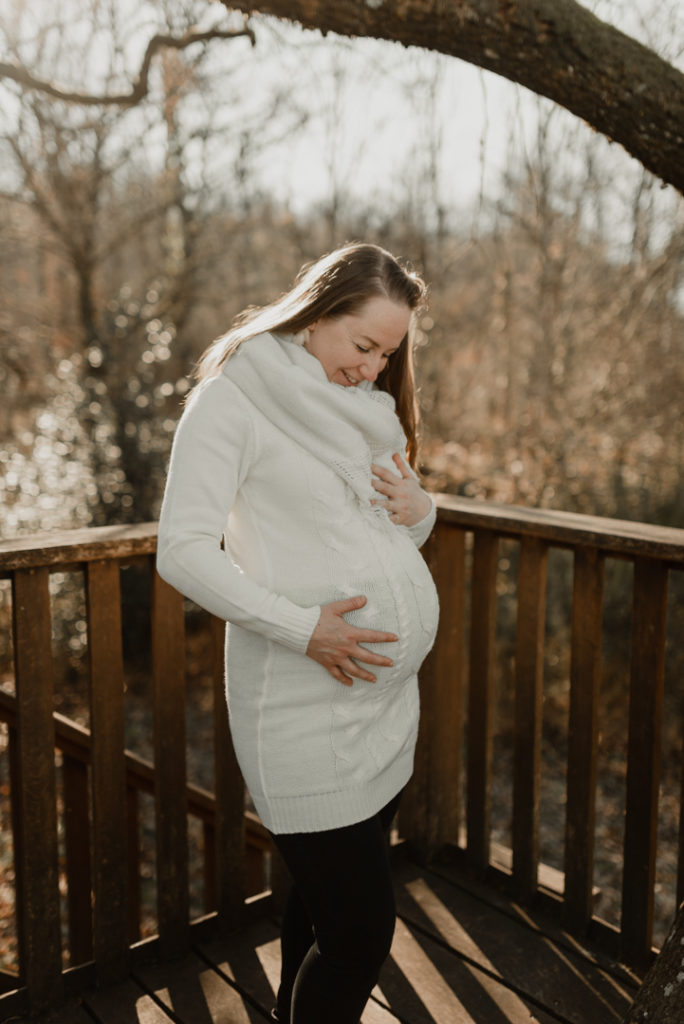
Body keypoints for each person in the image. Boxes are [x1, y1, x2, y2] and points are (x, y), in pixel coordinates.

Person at [156, 242, 439, 1023]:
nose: (374, 368)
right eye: (363, 345)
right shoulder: (233, 400)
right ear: (316, 315)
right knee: (361, 934)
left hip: (384, 712)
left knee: (318, 913)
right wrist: (303, 629)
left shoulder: (366, 412)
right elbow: (181, 550)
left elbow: (380, 542)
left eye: (388, 353)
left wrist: (425, 514)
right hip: (302, 712)